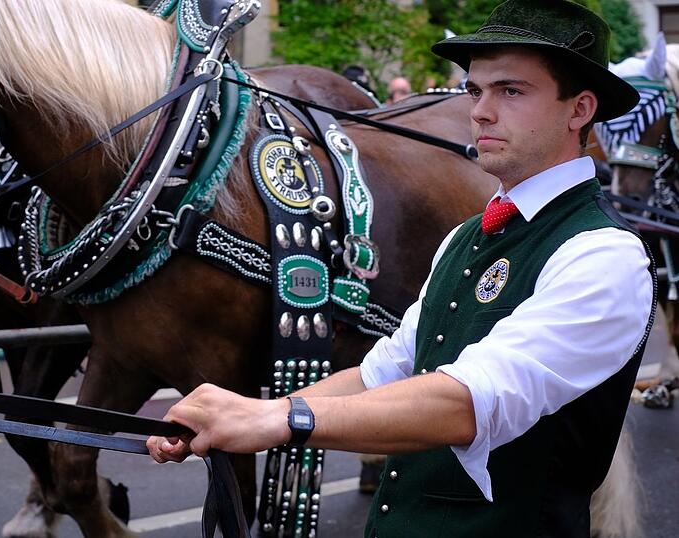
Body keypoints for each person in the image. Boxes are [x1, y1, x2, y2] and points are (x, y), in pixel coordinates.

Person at [147, 2, 654, 536]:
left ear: (579, 110)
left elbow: (473, 401)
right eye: (475, 91)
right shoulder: (466, 236)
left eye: (511, 91)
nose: (481, 112)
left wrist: (278, 419)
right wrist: (242, 412)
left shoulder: (604, 254)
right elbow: (383, 372)